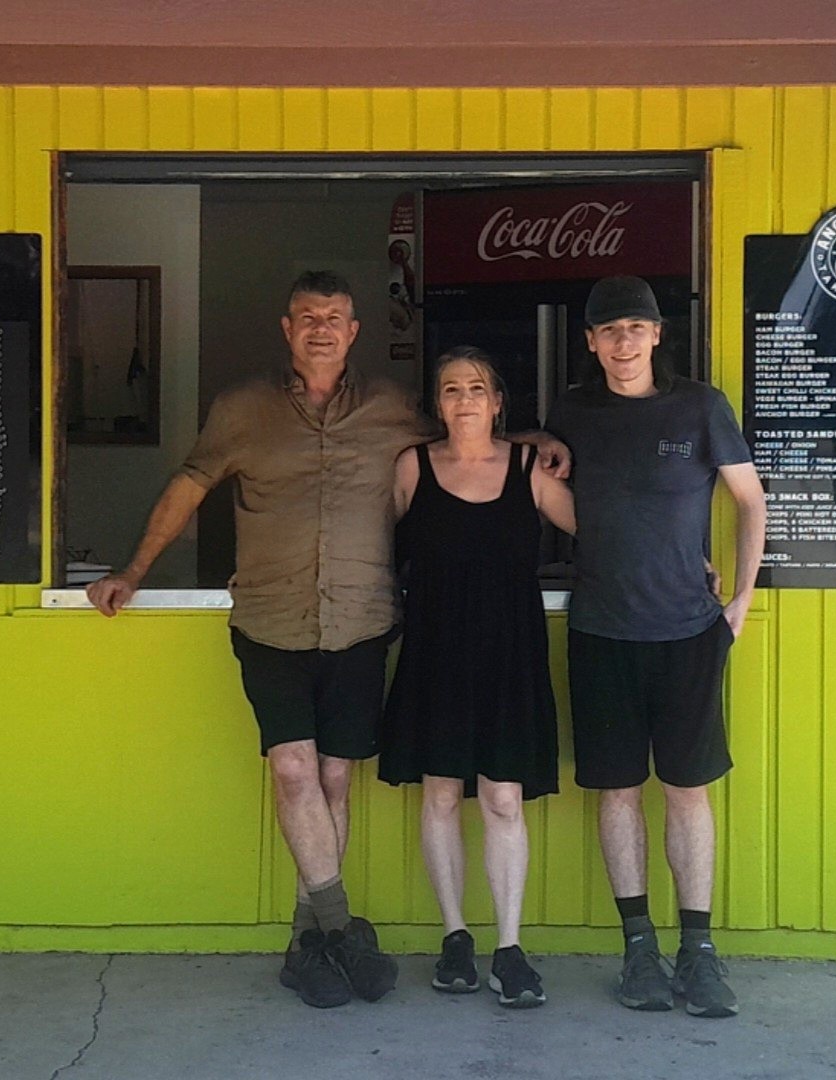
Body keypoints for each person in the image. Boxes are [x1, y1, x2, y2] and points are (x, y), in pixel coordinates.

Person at [87, 271, 568, 1009]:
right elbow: (189, 485)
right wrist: (132, 569)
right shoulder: (241, 408)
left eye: (334, 317)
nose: (320, 327)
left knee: (335, 782)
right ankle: (339, 931)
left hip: (358, 624)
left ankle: (302, 944)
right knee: (292, 773)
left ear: (353, 332)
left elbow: (467, 439)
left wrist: (531, 441)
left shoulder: (391, 409)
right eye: (307, 316)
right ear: (287, 329)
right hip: (271, 620)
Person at [546, 276, 766, 1019]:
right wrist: (539, 443)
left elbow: (749, 500)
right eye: (608, 331)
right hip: (600, 629)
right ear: (588, 341)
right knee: (616, 790)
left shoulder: (700, 406)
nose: (622, 342)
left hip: (686, 634)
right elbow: (563, 487)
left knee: (685, 789)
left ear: (657, 335)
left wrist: (738, 599)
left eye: (635, 328)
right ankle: (637, 946)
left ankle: (697, 952)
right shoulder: (572, 411)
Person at [379, 348, 575, 1009]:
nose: (464, 399)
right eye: (450, 389)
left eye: (477, 388)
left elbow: (601, 532)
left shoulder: (528, 468)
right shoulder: (410, 467)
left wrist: (686, 563)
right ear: (437, 404)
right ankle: (455, 937)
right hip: (435, 649)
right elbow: (361, 541)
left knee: (501, 800)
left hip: (509, 653)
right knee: (437, 795)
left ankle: (509, 947)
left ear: (497, 402)